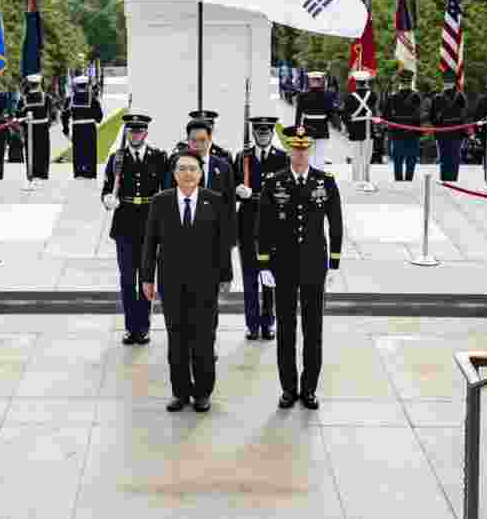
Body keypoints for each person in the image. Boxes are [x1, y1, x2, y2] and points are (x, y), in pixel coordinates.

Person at [256, 125, 342, 410]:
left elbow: (336, 223)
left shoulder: (325, 181)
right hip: (283, 265)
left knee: (313, 330)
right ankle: (288, 388)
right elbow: (264, 225)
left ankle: (309, 388)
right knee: (286, 330)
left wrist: (334, 264)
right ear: (289, 150)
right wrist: (263, 263)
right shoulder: (274, 182)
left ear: (311, 150)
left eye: (305, 149)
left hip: (314, 265)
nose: (301, 154)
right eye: (296, 148)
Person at [141, 150, 233, 413]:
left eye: (193, 168)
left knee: (203, 339)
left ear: (201, 173)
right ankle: (180, 392)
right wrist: (147, 278)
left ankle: (202, 392)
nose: (187, 173)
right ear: (174, 174)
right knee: (177, 340)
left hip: (205, 283)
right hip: (172, 283)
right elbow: (150, 242)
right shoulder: (160, 201)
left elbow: (222, 242)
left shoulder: (214, 201)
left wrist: (226, 275)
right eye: (182, 168)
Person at [102, 113, 169, 346]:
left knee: (146, 278)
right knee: (127, 280)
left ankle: (144, 326)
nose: (136, 135)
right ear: (127, 133)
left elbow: (165, 190)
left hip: (149, 224)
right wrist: (108, 199)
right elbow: (107, 187)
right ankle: (131, 327)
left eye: (139, 131)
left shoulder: (159, 157)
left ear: (146, 133)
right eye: (132, 131)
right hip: (124, 224)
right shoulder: (116, 158)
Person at [233, 116, 288, 340]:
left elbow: (286, 191)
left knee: (270, 278)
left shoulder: (282, 158)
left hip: (271, 225)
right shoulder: (242, 157)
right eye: (259, 131)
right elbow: (232, 184)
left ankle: (268, 322)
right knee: (249, 278)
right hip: (247, 223)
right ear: (254, 133)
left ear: (272, 133)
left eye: (266, 132)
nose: (263, 135)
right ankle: (252, 324)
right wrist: (238, 189)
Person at [382, 69, 423, 182]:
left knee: (398, 158)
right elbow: (419, 116)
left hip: (397, 132)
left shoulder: (392, 97)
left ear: (400, 82)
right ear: (410, 81)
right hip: (412, 133)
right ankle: (409, 179)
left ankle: (399, 179)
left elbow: (386, 117)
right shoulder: (416, 97)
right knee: (411, 158)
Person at [430, 68, 469, 181]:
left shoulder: (437, 98)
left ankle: (445, 178)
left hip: (442, 132)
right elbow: (465, 115)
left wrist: (438, 125)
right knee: (455, 156)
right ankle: (453, 178)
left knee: (444, 157)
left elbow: (432, 118)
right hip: (457, 132)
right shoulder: (461, 97)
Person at [61, 75, 103, 178]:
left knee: (78, 151)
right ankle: (90, 173)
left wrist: (66, 129)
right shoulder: (93, 99)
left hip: (77, 128)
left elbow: (64, 115)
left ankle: (79, 172)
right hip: (89, 128)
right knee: (90, 151)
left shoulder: (70, 99)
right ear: (87, 85)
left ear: (76, 86)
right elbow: (99, 118)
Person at [295, 70, 338, 169]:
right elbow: (331, 113)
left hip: (307, 128)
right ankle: (319, 176)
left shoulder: (303, 96)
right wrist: (334, 123)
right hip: (322, 128)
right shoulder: (327, 96)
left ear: (310, 81)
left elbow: (298, 114)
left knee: (309, 156)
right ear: (321, 81)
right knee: (320, 156)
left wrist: (297, 128)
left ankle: (309, 176)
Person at [342, 70, 378, 185]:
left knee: (356, 156)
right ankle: (366, 178)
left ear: (356, 83)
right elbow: (375, 111)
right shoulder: (373, 95)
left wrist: (348, 127)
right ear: (366, 82)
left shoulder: (349, 97)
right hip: (368, 129)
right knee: (367, 156)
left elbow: (345, 116)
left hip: (355, 130)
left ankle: (356, 179)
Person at [18, 73, 53, 180]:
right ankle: (43, 173)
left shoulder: (23, 99)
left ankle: (31, 172)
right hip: (43, 128)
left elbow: (19, 115)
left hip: (29, 128)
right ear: (39, 84)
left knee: (30, 150)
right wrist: (47, 124)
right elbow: (51, 114)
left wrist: (23, 127)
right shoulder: (46, 97)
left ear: (29, 84)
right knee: (43, 150)